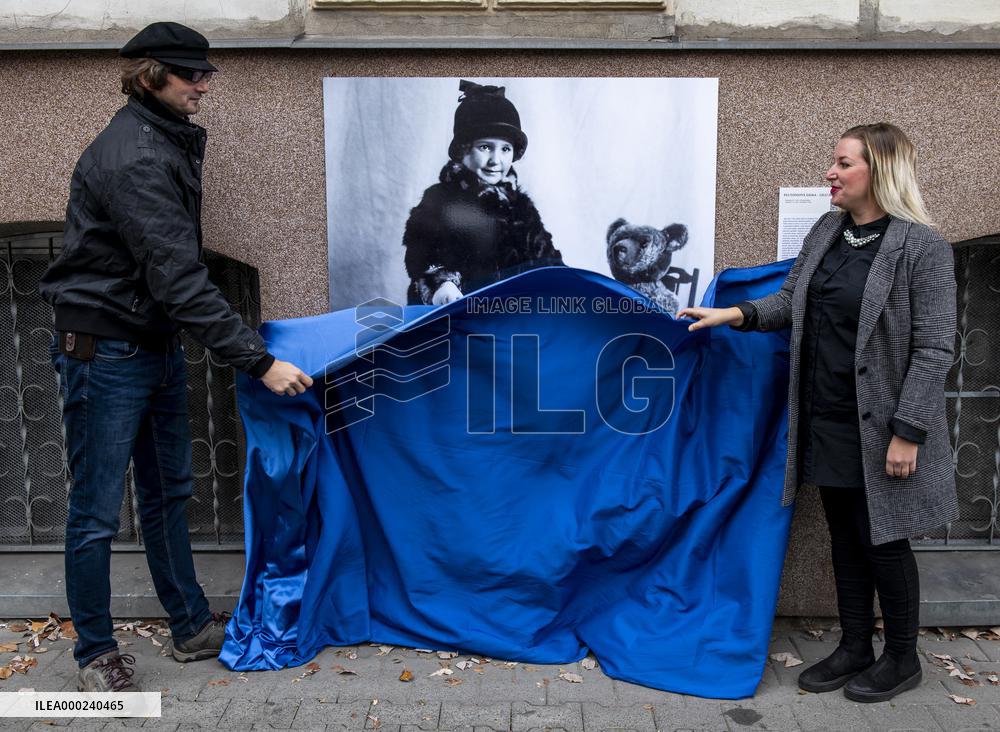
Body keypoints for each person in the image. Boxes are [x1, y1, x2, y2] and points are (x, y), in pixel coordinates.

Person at [39, 21, 313, 692]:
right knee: (98, 510)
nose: (204, 82)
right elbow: (178, 277)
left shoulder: (161, 138)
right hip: (105, 352)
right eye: (191, 72)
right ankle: (95, 654)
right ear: (150, 75)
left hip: (149, 343)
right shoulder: (133, 155)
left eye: (206, 71)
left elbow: (170, 277)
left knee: (168, 496)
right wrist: (258, 361)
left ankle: (189, 627)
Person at [679, 123, 957, 703]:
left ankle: (902, 658)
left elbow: (935, 347)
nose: (829, 172)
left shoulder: (920, 245)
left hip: (882, 426)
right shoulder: (829, 230)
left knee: (884, 539)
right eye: (832, 162)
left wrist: (908, 432)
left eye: (842, 163)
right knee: (843, 535)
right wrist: (733, 315)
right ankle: (855, 645)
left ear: (877, 171)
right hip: (826, 415)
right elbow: (790, 301)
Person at [403, 80, 563, 305]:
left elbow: (548, 262)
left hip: (507, 321)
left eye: (505, 149)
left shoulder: (521, 208)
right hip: (451, 317)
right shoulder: (439, 200)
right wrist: (441, 282)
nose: (496, 160)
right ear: (462, 150)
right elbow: (421, 253)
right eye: (485, 147)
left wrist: (567, 285)